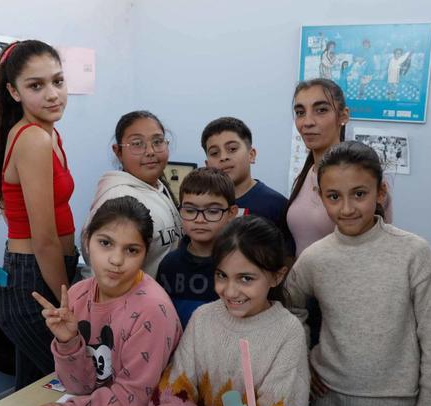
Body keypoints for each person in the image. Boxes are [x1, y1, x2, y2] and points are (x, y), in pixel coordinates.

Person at [285, 141, 431, 406]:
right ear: (321, 197)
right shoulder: (315, 258)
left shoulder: (413, 253)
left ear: (380, 192)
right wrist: (305, 359)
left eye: (359, 194)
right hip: (329, 401)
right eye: (334, 196)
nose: (347, 208)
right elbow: (289, 309)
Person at [144, 216, 309, 406]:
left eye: (246, 279)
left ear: (277, 277)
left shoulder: (288, 332)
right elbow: (173, 389)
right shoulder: (203, 318)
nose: (230, 291)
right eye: (222, 275)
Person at [30, 196, 183, 406]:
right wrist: (68, 342)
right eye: (105, 243)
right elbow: (79, 387)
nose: (116, 260)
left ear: (145, 255)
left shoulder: (152, 310)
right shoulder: (78, 295)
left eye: (131, 250)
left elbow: (133, 396)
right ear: (87, 241)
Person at [0, 40, 79, 390]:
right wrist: (72, 300)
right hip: (33, 277)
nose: (52, 94)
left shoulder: (50, 134)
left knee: (37, 388)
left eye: (58, 81)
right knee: (70, 382)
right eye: (36, 86)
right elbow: (45, 239)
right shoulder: (33, 139)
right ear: (13, 91)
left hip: (45, 271)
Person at [286, 78, 393, 259]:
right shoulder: (304, 176)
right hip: (300, 284)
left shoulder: (364, 181)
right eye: (300, 112)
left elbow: (381, 253)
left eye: (321, 110)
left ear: (343, 116)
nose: (308, 122)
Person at [84, 111, 183, 278]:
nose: (150, 151)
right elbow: (107, 271)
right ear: (118, 152)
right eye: (137, 143)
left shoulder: (157, 187)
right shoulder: (119, 198)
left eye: (158, 142)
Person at [156, 168, 237, 328]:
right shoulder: (169, 264)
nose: (200, 219)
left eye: (213, 211)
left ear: (231, 213)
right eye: (191, 210)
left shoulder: (238, 264)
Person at [200, 117, 288, 236]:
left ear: (251, 155)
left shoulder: (277, 205)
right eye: (215, 153)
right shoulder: (200, 206)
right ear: (207, 165)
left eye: (232, 149)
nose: (223, 157)